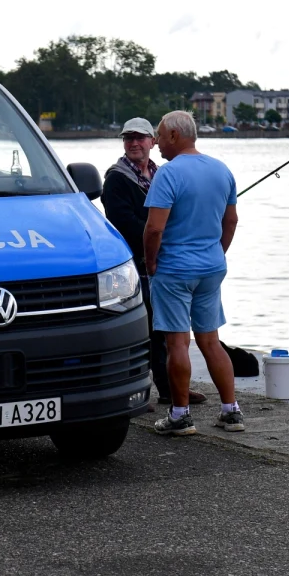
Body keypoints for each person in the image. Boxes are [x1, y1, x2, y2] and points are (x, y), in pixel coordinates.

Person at [144, 110, 242, 436]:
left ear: (174, 135)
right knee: (211, 341)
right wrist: (217, 252)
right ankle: (231, 411)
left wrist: (150, 262)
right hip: (211, 267)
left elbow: (154, 229)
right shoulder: (221, 170)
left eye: (159, 135)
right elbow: (231, 221)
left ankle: (180, 415)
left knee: (177, 343)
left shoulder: (168, 174)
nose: (156, 142)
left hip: (174, 269)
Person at [100, 117, 205, 411]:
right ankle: (139, 391)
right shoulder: (116, 179)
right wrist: (162, 238)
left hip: (161, 262)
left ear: (152, 141)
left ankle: (171, 389)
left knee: (164, 328)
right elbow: (124, 223)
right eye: (128, 138)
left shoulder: (160, 173)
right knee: (140, 331)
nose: (134, 143)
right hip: (133, 266)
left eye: (140, 138)